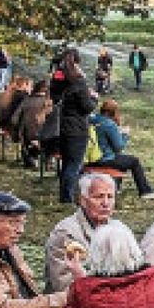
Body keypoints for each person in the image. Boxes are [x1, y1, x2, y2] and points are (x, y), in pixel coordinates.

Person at [44, 172, 123, 293]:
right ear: (83, 201)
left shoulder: (117, 229)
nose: (105, 203)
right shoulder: (66, 233)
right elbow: (65, 287)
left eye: (110, 197)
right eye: (99, 197)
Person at [51, 48, 98, 204]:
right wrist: (94, 98)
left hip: (62, 126)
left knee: (66, 163)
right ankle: (67, 198)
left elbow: (54, 96)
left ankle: (64, 195)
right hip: (77, 128)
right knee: (74, 164)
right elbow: (87, 107)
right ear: (77, 62)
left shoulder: (59, 79)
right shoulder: (79, 82)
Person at [87, 99, 154, 198]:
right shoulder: (109, 124)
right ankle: (145, 191)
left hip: (88, 157)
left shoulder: (93, 119)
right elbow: (119, 147)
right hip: (103, 159)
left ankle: (116, 186)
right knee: (134, 161)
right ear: (113, 112)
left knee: (122, 159)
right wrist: (124, 135)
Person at [10, 80, 52, 169]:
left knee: (25, 136)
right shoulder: (49, 102)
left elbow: (14, 118)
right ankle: (47, 161)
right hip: (46, 134)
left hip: (27, 134)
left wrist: (17, 128)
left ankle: (29, 160)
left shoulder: (27, 100)